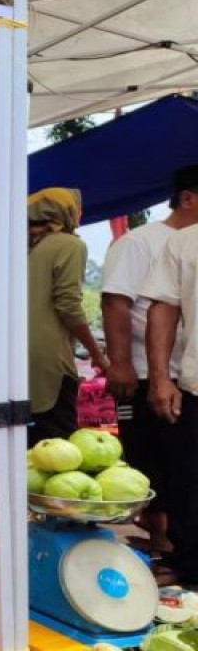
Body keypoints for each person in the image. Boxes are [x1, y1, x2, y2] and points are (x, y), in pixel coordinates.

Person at [101, 165, 198, 562]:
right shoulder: (141, 242)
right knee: (150, 457)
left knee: (176, 460)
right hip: (145, 372)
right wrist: (121, 363)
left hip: (180, 369)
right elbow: (115, 301)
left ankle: (171, 541)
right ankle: (163, 540)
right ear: (188, 198)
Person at [139, 220, 198, 588]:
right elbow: (162, 309)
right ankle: (191, 572)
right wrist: (160, 376)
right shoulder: (185, 241)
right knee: (190, 485)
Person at [27, 187, 107, 445]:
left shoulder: (23, 247)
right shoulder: (69, 244)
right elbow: (69, 306)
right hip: (50, 359)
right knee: (55, 445)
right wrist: (98, 355)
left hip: (15, 357)